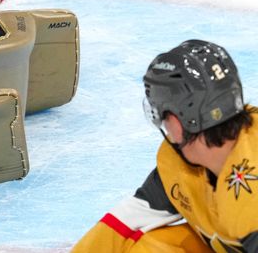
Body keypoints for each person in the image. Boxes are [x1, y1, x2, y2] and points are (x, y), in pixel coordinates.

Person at [72, 40, 258, 253]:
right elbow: (129, 219)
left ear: (177, 123)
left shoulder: (252, 197)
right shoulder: (180, 164)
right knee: (150, 247)